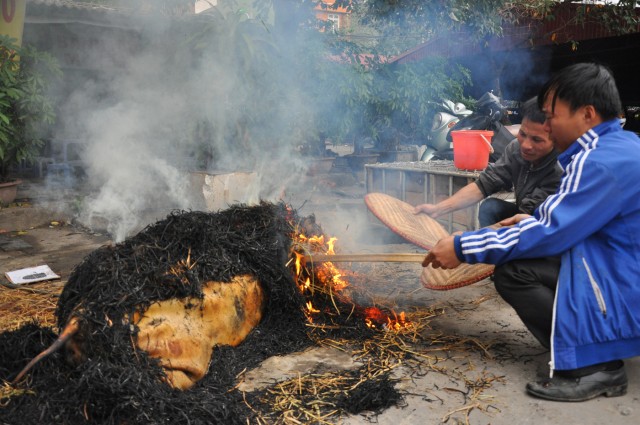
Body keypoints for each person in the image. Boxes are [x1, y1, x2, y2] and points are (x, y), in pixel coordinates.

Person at [422, 62, 640, 402]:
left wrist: (463, 246)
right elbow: (496, 189)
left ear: (587, 114)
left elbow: (550, 232)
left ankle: (595, 366)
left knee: (515, 271)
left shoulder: (595, 162)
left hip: (626, 288)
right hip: (622, 270)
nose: (549, 126)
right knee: (511, 232)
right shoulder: (618, 147)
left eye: (553, 117)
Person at [414, 97, 562, 227]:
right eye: (522, 134)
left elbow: (528, 217)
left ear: (556, 139)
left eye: (537, 140)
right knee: (490, 207)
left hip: (544, 226)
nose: (525, 145)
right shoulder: (515, 148)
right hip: (523, 213)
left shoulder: (560, 167)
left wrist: (467, 242)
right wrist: (438, 209)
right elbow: (485, 183)